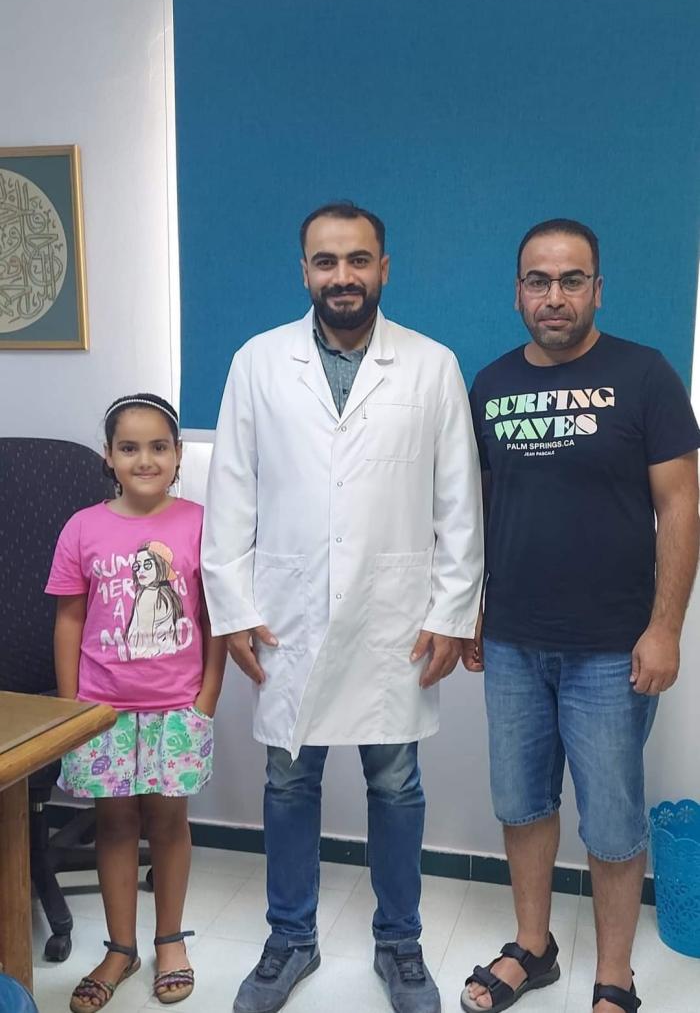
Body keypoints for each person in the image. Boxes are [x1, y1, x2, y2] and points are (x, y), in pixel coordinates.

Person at [202, 201, 484, 1013]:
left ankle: (400, 943)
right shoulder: (259, 361)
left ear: (383, 268)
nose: (343, 276)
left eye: (358, 260)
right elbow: (231, 493)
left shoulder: (430, 364)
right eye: (326, 261)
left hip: (394, 616)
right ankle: (290, 937)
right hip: (286, 612)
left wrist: (451, 610)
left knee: (396, 784)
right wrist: (233, 606)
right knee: (289, 780)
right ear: (304, 271)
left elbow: (459, 500)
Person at [463, 219, 700, 1013]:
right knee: (521, 803)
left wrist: (665, 627)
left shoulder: (645, 374)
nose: (554, 296)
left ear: (598, 288)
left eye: (572, 279)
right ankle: (532, 947)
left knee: (613, 822)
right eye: (539, 280)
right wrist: (472, 607)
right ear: (518, 291)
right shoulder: (491, 384)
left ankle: (616, 975)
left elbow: (681, 507)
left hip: (611, 647)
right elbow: (480, 509)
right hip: (512, 642)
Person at [47, 394, 227, 1011]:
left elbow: (215, 618)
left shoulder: (201, 524)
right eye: (129, 447)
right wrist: (71, 708)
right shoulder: (82, 528)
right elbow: (70, 620)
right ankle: (120, 949)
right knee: (116, 824)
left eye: (158, 447)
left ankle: (169, 942)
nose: (144, 459)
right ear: (108, 456)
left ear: (177, 455)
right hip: (102, 710)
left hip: (178, 708)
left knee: (169, 823)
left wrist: (207, 697)